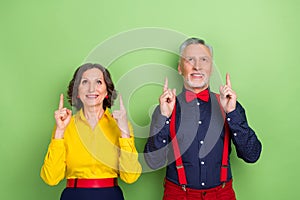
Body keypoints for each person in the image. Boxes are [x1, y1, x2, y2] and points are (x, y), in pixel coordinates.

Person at [144, 38, 262, 200]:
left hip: (222, 194)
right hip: (177, 194)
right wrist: (164, 117)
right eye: (190, 60)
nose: (197, 66)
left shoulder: (230, 105)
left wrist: (232, 114)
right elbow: (153, 162)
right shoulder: (165, 107)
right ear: (180, 68)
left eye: (204, 60)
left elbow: (252, 154)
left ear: (211, 68)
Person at [41, 63, 141, 200]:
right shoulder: (65, 125)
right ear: (77, 92)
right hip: (74, 196)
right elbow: (51, 178)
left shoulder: (121, 125)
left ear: (107, 91)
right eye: (85, 82)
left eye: (98, 82)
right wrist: (59, 131)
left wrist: (124, 133)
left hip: (110, 196)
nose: (92, 88)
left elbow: (130, 177)